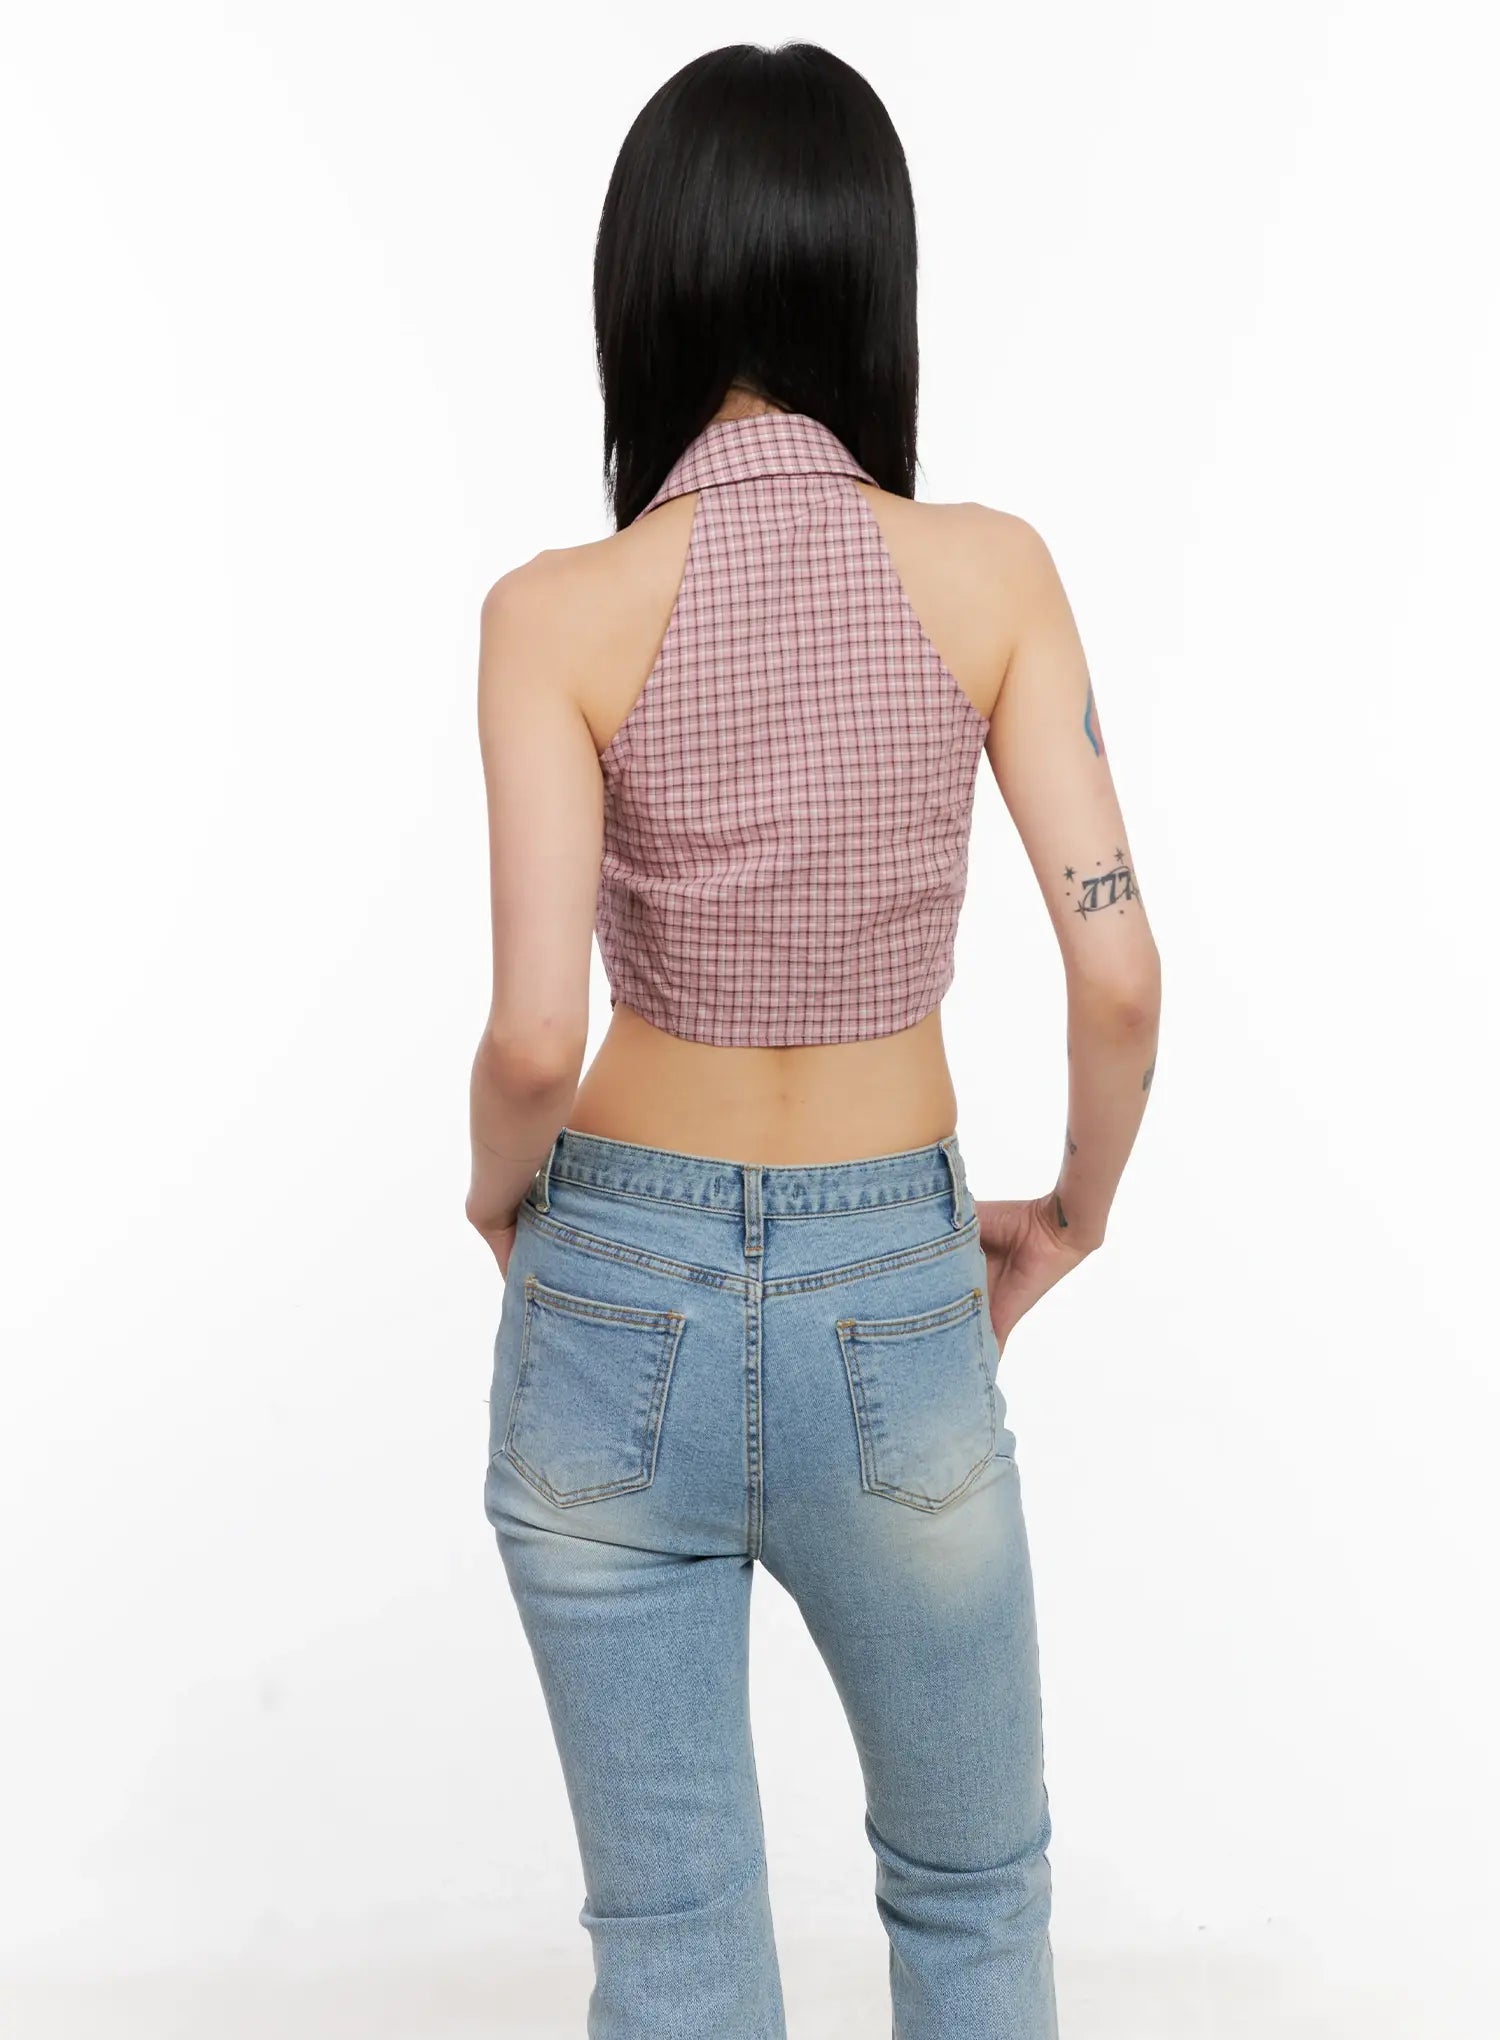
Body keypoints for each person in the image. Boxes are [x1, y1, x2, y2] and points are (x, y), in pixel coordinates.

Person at [465, 39, 1160, 2040]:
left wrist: (501, 1203)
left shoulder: (555, 613)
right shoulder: (989, 576)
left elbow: (533, 1042)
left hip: (610, 1291)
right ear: (875, 284)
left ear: (646, 291)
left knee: (674, 1935)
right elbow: (1120, 975)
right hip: (893, 1296)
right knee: (971, 1892)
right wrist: (1070, 1218)